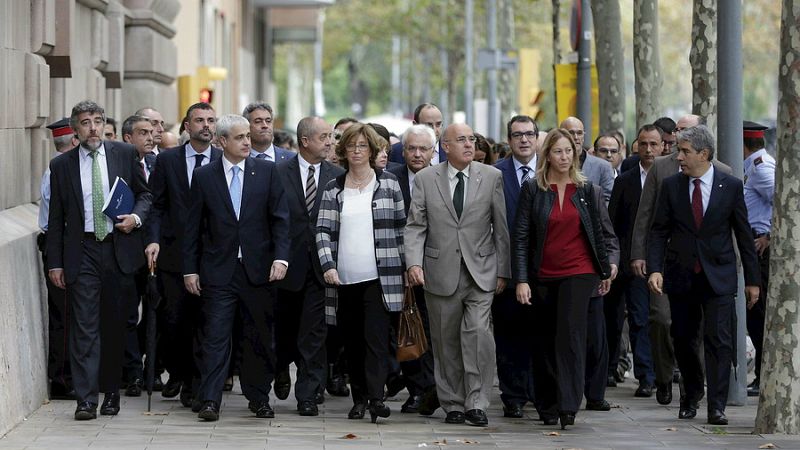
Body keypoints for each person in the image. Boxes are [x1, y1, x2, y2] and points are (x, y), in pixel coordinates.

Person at [647, 124, 760, 426]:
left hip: (719, 276)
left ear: (704, 154)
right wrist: (655, 268)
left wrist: (752, 281)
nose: (678, 157)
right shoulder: (671, 186)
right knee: (683, 339)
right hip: (681, 274)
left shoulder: (731, 185)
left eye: (684, 152)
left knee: (719, 341)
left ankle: (717, 405)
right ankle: (691, 393)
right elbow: (658, 231)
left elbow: (744, 235)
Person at [47, 100, 152, 420]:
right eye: (85, 122)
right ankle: (86, 399)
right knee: (84, 327)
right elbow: (56, 218)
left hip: (119, 248)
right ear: (76, 130)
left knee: (114, 326)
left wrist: (135, 217)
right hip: (84, 251)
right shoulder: (61, 166)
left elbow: (146, 195)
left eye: (97, 121)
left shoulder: (124, 154)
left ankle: (110, 395)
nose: (92, 127)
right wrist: (55, 262)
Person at [183, 114, 290, 421]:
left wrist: (280, 258)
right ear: (221, 142)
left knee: (257, 337)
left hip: (258, 271)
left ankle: (258, 398)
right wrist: (190, 270)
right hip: (218, 271)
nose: (247, 141)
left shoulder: (267, 172)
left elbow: (280, 220)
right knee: (215, 337)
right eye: (240, 137)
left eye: (248, 136)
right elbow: (193, 228)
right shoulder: (205, 176)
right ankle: (210, 400)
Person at [512, 128, 617, 429]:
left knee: (570, 337)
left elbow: (600, 233)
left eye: (569, 151)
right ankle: (547, 404)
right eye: (558, 151)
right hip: (542, 273)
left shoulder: (588, 191)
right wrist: (521, 279)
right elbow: (521, 237)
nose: (564, 156)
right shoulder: (533, 189)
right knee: (544, 339)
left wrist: (604, 269)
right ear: (547, 155)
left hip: (579, 272)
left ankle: (569, 404)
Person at [405, 123, 510, 427]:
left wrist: (504, 271)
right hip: (439, 271)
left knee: (478, 334)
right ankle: (452, 403)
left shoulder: (491, 177)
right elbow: (416, 225)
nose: (468, 144)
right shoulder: (426, 179)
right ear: (445, 146)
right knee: (445, 340)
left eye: (472, 139)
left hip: (481, 271)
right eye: (461, 140)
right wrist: (413, 263)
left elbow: (501, 228)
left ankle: (476, 402)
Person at [629, 114, 732, 405]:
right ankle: (662, 377)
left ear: (703, 146)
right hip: (669, 264)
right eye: (677, 130)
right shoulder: (662, 170)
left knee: (700, 333)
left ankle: (692, 387)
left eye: (685, 132)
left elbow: (733, 226)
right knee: (661, 320)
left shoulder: (726, 173)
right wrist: (641, 255)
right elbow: (647, 217)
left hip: (710, 268)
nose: (677, 136)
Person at [316, 122, 406, 423]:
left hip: (380, 278)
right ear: (343, 151)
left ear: (372, 150)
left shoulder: (389, 184)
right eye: (352, 146)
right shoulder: (333, 188)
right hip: (343, 279)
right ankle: (360, 399)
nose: (356, 151)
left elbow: (401, 229)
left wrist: (406, 269)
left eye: (362, 146)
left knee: (376, 339)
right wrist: (328, 266)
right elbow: (322, 232)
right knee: (352, 342)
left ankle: (377, 398)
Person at [146, 102, 222, 408]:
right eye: (199, 120)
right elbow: (156, 205)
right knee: (175, 321)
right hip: (174, 255)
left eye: (210, 120)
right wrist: (153, 240)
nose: (206, 125)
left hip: (215, 255)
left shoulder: (223, 159)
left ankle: (198, 385)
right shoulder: (168, 161)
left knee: (209, 322)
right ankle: (179, 372)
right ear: (187, 126)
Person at [274, 116, 343, 416]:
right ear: (304, 141)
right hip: (286, 266)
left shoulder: (338, 175)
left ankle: (308, 394)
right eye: (324, 136)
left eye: (331, 136)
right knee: (285, 329)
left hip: (322, 267)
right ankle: (279, 369)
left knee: (314, 334)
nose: (330, 142)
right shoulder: (277, 172)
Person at [606, 125, 664, 401]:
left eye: (654, 144)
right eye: (644, 144)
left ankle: (666, 372)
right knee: (639, 318)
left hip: (666, 262)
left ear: (664, 146)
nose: (649, 150)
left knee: (664, 320)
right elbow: (613, 223)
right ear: (635, 147)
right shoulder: (625, 181)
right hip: (634, 264)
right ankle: (646, 376)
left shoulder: (674, 177)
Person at [388, 124, 438, 414]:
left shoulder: (443, 177)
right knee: (406, 330)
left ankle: (432, 387)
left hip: (436, 267)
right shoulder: (389, 178)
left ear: (433, 151)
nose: (417, 154)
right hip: (396, 269)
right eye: (411, 148)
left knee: (431, 331)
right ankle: (418, 389)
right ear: (402, 150)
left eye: (423, 149)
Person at [493, 115, 539, 418]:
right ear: (509, 140)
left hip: (543, 268)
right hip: (505, 270)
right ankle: (512, 395)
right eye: (517, 135)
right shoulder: (495, 174)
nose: (523, 140)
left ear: (537, 138)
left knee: (539, 333)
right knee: (509, 334)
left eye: (528, 134)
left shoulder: (550, 173)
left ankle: (537, 390)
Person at [39, 118, 79, 400]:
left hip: (66, 245)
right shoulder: (59, 171)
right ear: (74, 142)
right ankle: (62, 378)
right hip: (61, 246)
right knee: (64, 315)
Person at [119, 114, 157, 397]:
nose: (150, 136)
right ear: (128, 137)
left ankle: (153, 369)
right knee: (129, 314)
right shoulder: (119, 164)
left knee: (157, 312)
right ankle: (132, 373)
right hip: (128, 251)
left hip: (158, 251)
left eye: (152, 131)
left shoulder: (161, 163)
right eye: (142, 131)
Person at [741, 120, 775, 397]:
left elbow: (788, 203)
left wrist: (770, 236)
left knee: (759, 312)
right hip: (750, 243)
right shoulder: (754, 166)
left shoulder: (761, 168)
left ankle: (764, 373)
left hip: (760, 248)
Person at [560, 117, 614, 201]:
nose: (576, 137)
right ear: (560, 135)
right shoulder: (552, 163)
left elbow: (608, 200)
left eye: (580, 133)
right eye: (571, 133)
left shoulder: (603, 167)